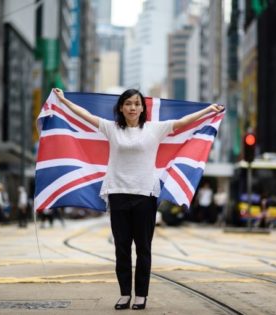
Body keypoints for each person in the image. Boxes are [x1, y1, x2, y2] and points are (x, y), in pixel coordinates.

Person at [53, 88, 224, 310]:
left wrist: (208, 110)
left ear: (143, 108)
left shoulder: (155, 129)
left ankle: (141, 295)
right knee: (121, 248)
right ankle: (125, 294)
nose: (133, 107)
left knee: (143, 248)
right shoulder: (111, 128)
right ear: (121, 108)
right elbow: (84, 115)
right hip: (117, 193)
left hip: (145, 195)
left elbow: (183, 122)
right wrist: (64, 100)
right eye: (128, 104)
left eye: (137, 103)